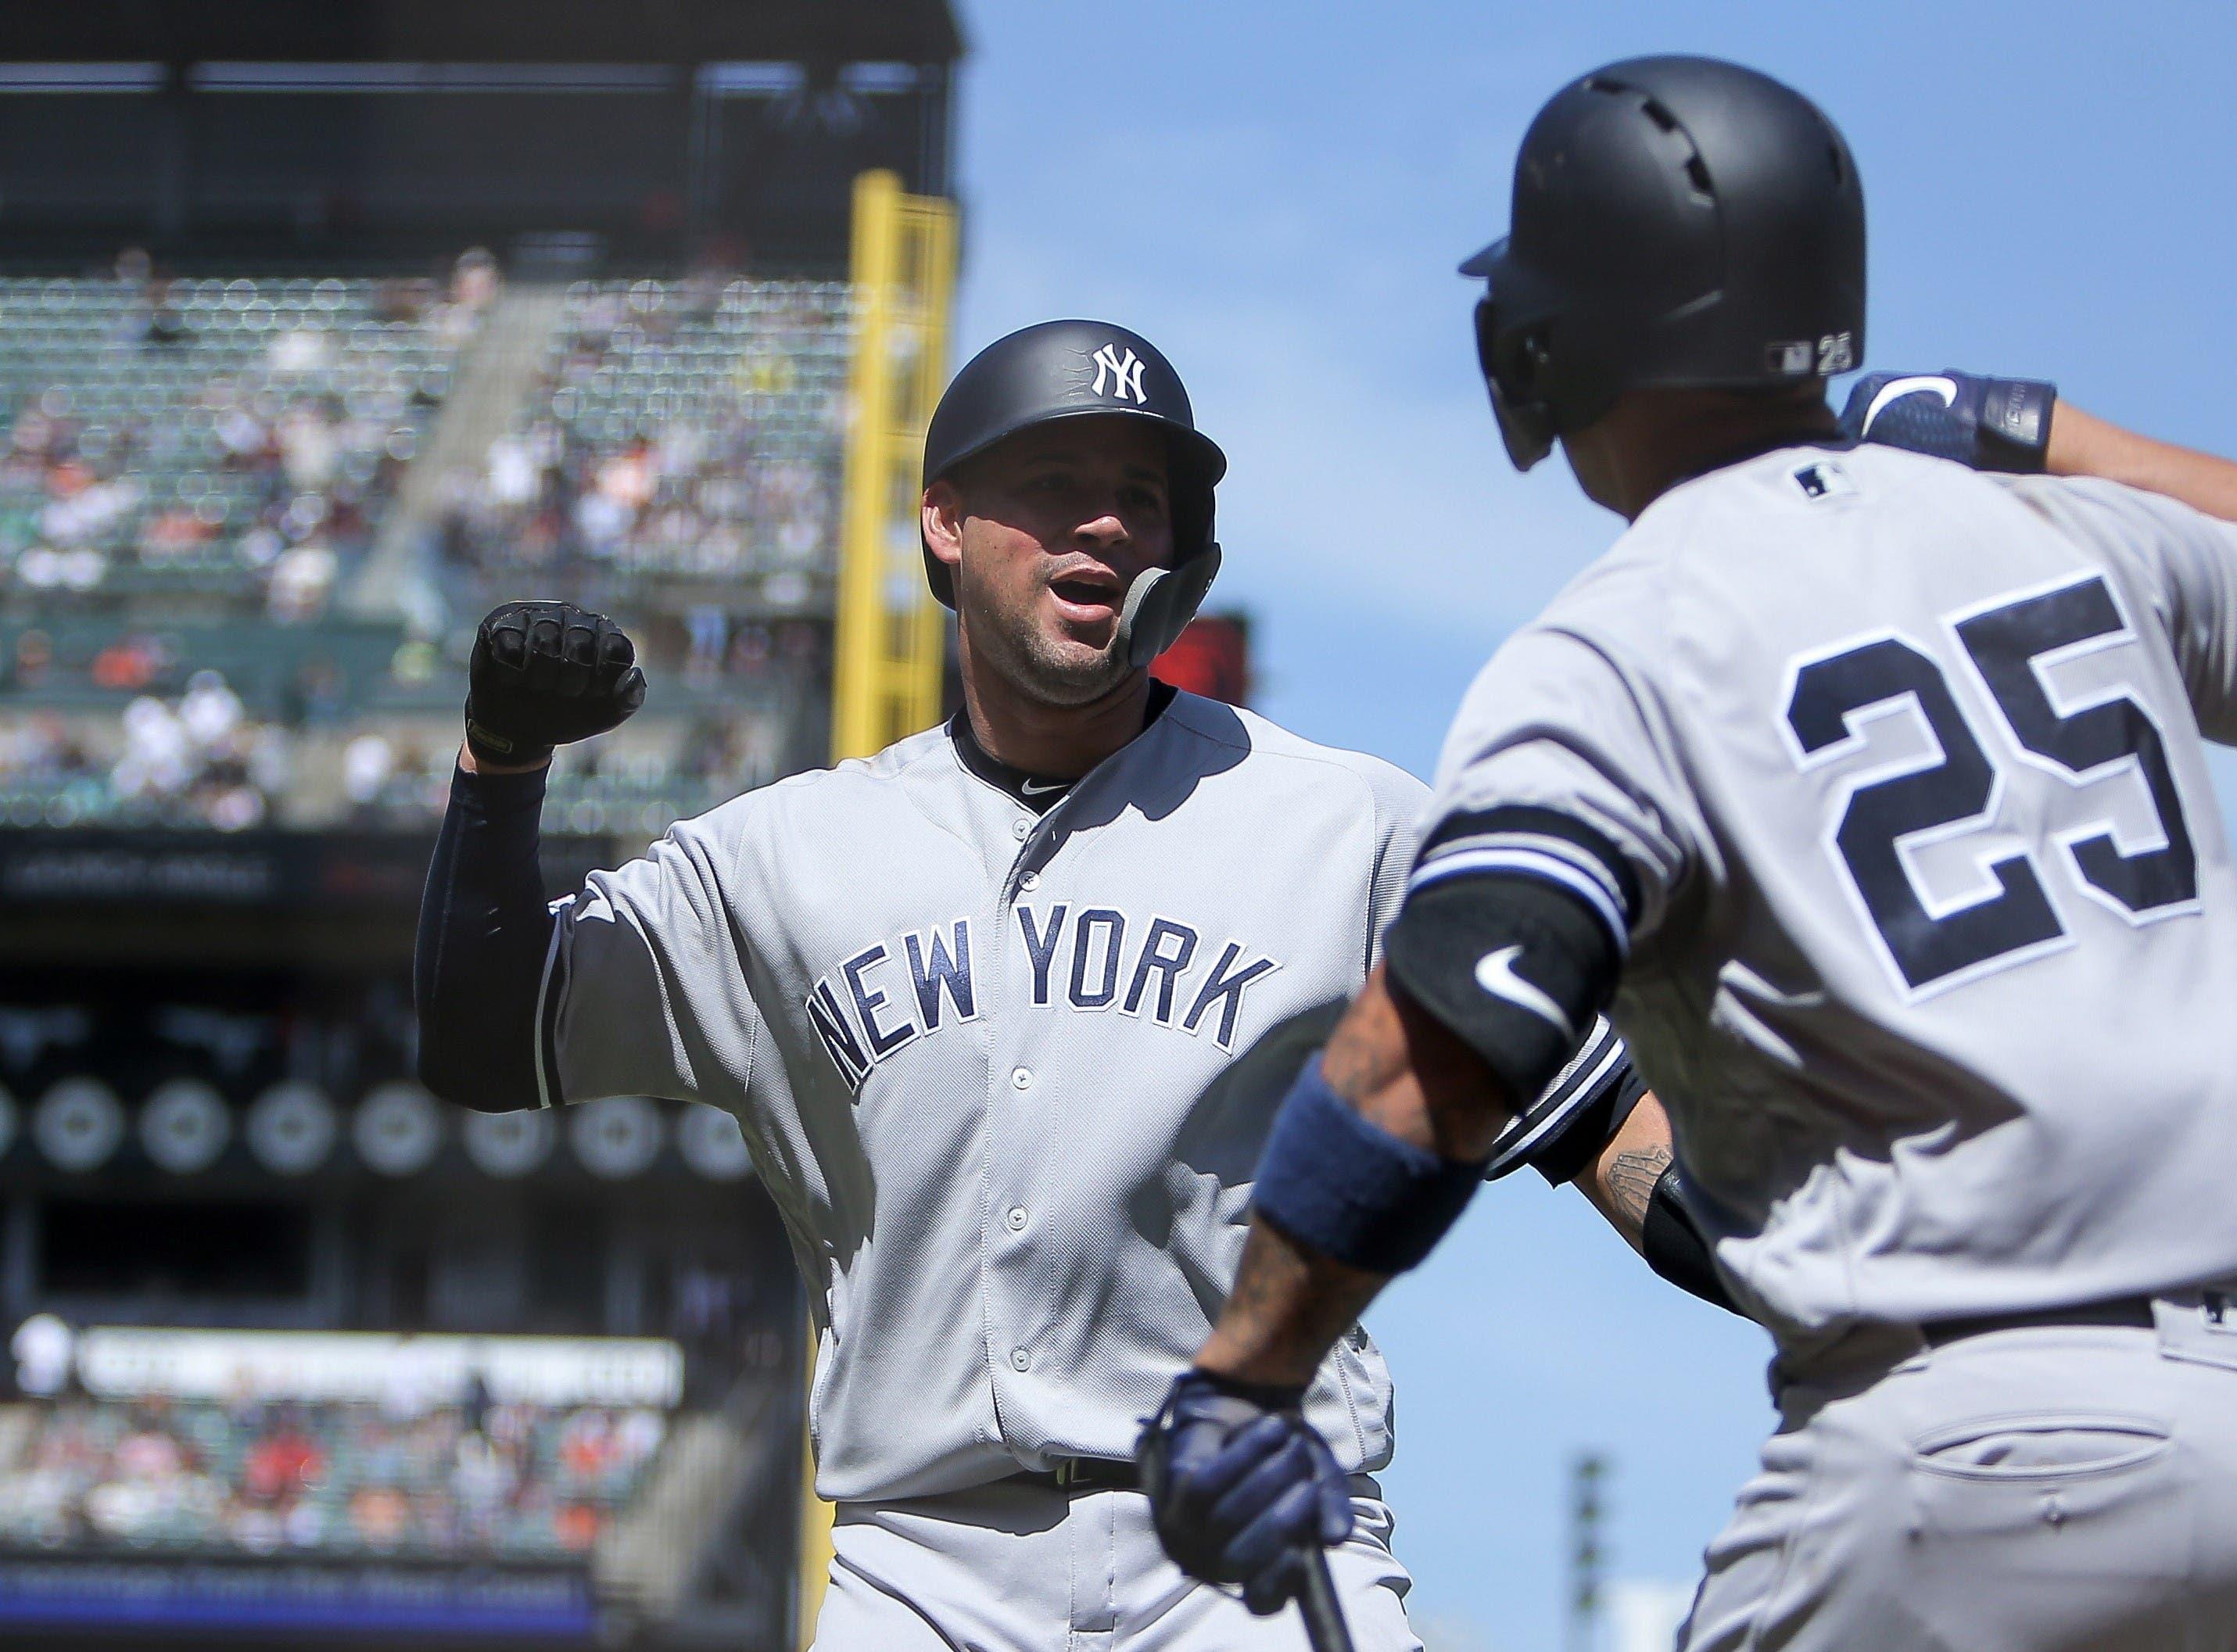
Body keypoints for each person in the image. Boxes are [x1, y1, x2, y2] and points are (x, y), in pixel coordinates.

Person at [1138, 56, 2237, 1652]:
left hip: (1973, 1457)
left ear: (1549, 345)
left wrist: (1245, 1373)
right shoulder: (2075, 538)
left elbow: (1456, 1030)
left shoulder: (1623, 643)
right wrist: (2028, 428)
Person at [411, 319, 1662, 1651]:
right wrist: (498, 766)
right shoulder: (783, 858)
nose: (1109, 526)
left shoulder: (1345, 824)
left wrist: (1853, 1309)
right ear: (944, 522)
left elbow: (1606, 1121)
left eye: (1144, 499)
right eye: (1059, 485)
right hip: (922, 1569)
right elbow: (489, 1034)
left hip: (1249, 1559)